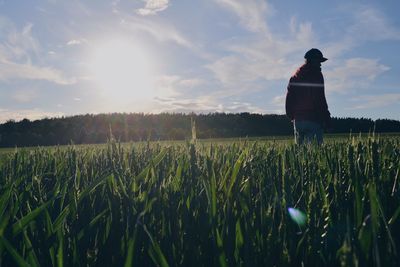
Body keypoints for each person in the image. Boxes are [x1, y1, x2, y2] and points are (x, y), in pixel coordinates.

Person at [285, 48, 331, 144]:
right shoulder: (317, 75)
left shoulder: (294, 77)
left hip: (298, 121)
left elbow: (289, 99)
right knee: (315, 153)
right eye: (319, 61)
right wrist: (326, 118)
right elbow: (320, 98)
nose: (320, 64)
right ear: (312, 60)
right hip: (313, 120)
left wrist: (292, 116)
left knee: (300, 154)